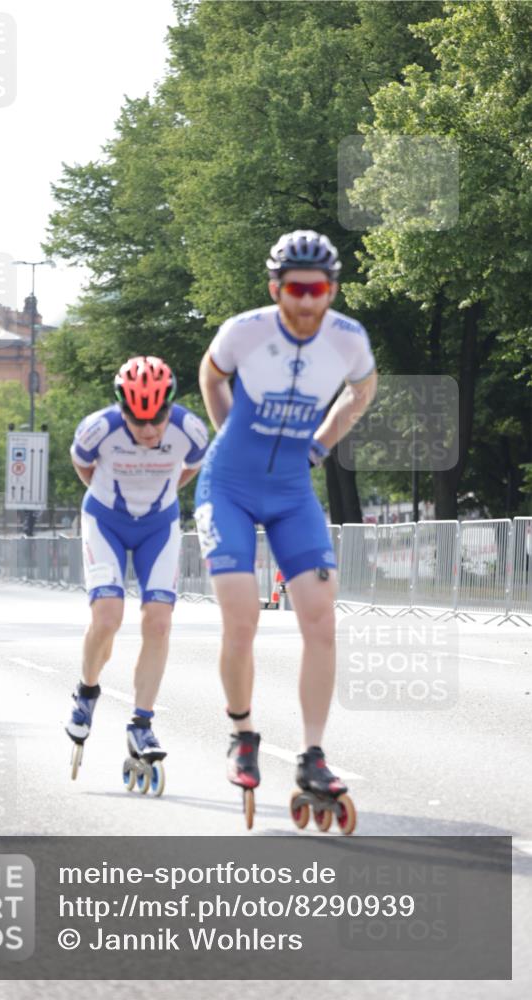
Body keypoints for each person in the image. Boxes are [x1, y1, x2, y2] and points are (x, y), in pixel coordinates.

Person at [195, 229, 377, 803]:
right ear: (276, 288)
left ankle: (313, 756)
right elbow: (210, 374)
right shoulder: (245, 331)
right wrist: (229, 434)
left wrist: (321, 445)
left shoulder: (349, 340)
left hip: (293, 490)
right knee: (243, 617)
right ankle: (243, 732)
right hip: (228, 486)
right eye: (295, 289)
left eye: (318, 289)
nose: (305, 302)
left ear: (332, 289)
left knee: (321, 620)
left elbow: (363, 390)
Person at [66, 356, 209, 773]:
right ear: (120, 408)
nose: (148, 430)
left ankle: (141, 723)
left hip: (158, 526)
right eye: (136, 419)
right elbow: (83, 466)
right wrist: (113, 495)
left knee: (159, 622)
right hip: (105, 521)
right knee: (108, 617)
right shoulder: (98, 429)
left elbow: (189, 471)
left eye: (157, 419)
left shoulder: (192, 431)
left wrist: (156, 493)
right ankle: (87, 692)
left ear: (170, 406)